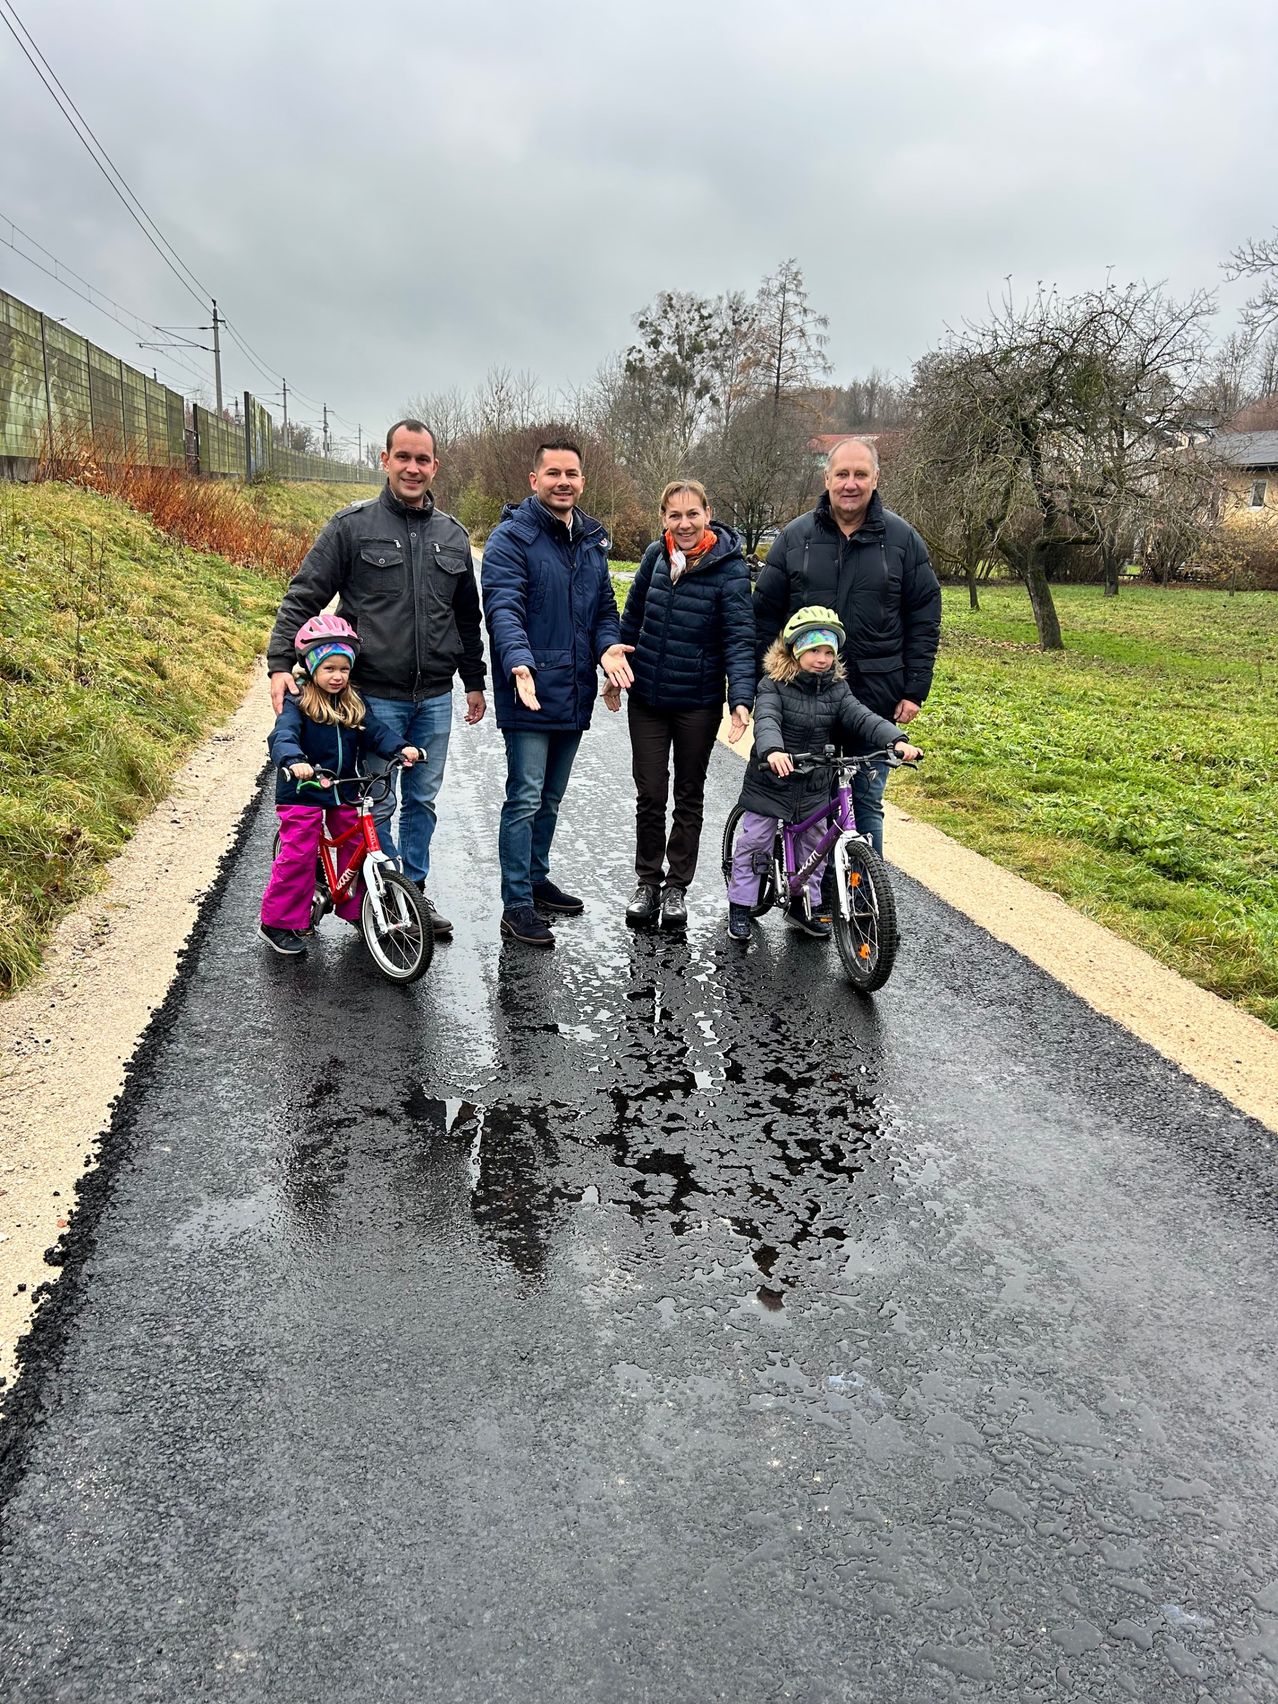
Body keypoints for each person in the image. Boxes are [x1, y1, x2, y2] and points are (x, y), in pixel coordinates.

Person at [265, 419, 486, 941]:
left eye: (423, 459)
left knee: (423, 801)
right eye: (403, 457)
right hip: (373, 698)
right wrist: (280, 662)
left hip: (433, 696)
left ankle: (412, 894)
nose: (413, 468)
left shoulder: (452, 535)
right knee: (376, 801)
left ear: (435, 466)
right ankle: (379, 901)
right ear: (384, 460)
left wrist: (473, 681)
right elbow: (304, 595)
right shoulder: (351, 527)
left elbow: (466, 619)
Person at [752, 436, 940, 856]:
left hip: (875, 693)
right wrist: (762, 686)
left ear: (876, 478)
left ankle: (862, 906)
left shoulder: (902, 540)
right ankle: (809, 899)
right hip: (803, 696)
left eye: (860, 474)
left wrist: (914, 689)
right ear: (827, 478)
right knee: (804, 801)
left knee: (866, 802)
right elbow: (763, 613)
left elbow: (924, 616)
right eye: (842, 474)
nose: (850, 483)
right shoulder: (795, 537)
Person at [481, 438, 635, 948]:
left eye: (571, 473)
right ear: (534, 480)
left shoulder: (591, 540)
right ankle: (516, 903)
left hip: (573, 690)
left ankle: (537, 879)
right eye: (553, 473)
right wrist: (518, 663)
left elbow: (604, 612)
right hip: (528, 692)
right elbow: (504, 608)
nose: (563, 481)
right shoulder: (511, 539)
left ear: (582, 481)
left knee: (550, 796)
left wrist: (608, 650)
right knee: (524, 797)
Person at [609, 480, 754, 932]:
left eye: (693, 513)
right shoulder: (655, 557)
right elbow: (631, 620)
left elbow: (739, 638)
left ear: (708, 514)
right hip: (648, 698)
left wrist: (741, 699)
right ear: (664, 519)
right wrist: (614, 675)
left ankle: (676, 887)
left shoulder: (729, 569)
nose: (684, 523)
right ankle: (647, 882)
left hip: (698, 701)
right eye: (675, 515)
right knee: (650, 793)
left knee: (688, 795)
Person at [726, 606, 920, 943]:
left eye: (828, 651)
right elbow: (768, 719)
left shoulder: (836, 689)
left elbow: (862, 717)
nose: (822, 659)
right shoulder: (773, 684)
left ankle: (804, 907)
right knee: (756, 840)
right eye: (814, 650)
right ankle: (741, 904)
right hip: (772, 779)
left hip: (814, 780)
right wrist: (773, 751)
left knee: (814, 844)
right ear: (796, 650)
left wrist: (896, 740)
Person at [260, 615, 421, 956]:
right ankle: (278, 921)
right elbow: (283, 735)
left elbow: (376, 731)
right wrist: (293, 760)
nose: (337, 677)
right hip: (302, 791)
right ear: (313, 668)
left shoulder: (353, 703)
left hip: (344, 788)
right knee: (299, 855)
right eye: (329, 668)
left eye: (343, 670)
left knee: (358, 844)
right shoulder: (299, 702)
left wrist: (401, 747)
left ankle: (357, 910)